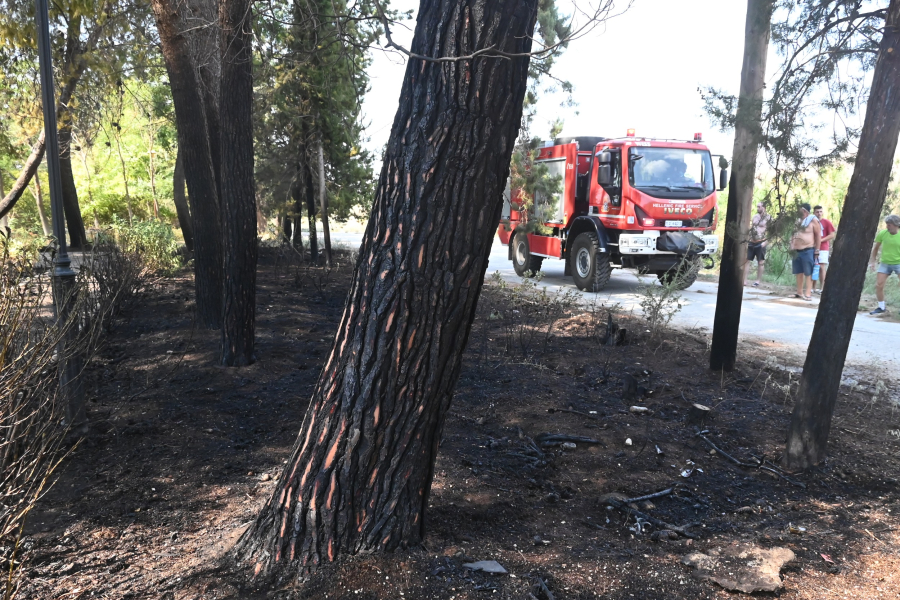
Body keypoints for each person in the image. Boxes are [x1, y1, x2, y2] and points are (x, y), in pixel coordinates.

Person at [868, 214, 900, 315]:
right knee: (879, 285)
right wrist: (872, 261)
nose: (887, 227)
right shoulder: (883, 233)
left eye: (889, 225)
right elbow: (876, 248)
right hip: (885, 263)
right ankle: (881, 307)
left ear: (896, 225)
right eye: (887, 224)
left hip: (898, 263)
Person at [790, 202, 821, 301]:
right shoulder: (797, 221)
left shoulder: (813, 221)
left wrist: (817, 249)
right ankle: (799, 292)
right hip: (796, 250)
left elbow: (818, 236)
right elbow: (793, 234)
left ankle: (808, 293)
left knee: (808, 272)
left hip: (808, 249)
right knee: (798, 272)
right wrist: (791, 245)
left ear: (804, 211)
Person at [744, 202, 771, 287]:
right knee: (747, 260)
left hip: (761, 241)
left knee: (760, 262)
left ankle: (757, 281)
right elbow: (752, 228)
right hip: (752, 241)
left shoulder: (768, 218)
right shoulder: (755, 216)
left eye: (759, 207)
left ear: (764, 207)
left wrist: (766, 242)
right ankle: (744, 280)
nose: (757, 208)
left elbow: (772, 232)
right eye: (757, 206)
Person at [812, 205, 836, 293]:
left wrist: (820, 240)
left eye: (820, 211)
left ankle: (822, 288)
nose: (819, 213)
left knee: (822, 267)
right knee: (814, 267)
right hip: (812, 247)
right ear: (814, 213)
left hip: (823, 248)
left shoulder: (826, 222)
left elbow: (832, 235)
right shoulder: (812, 222)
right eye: (817, 212)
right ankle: (813, 287)